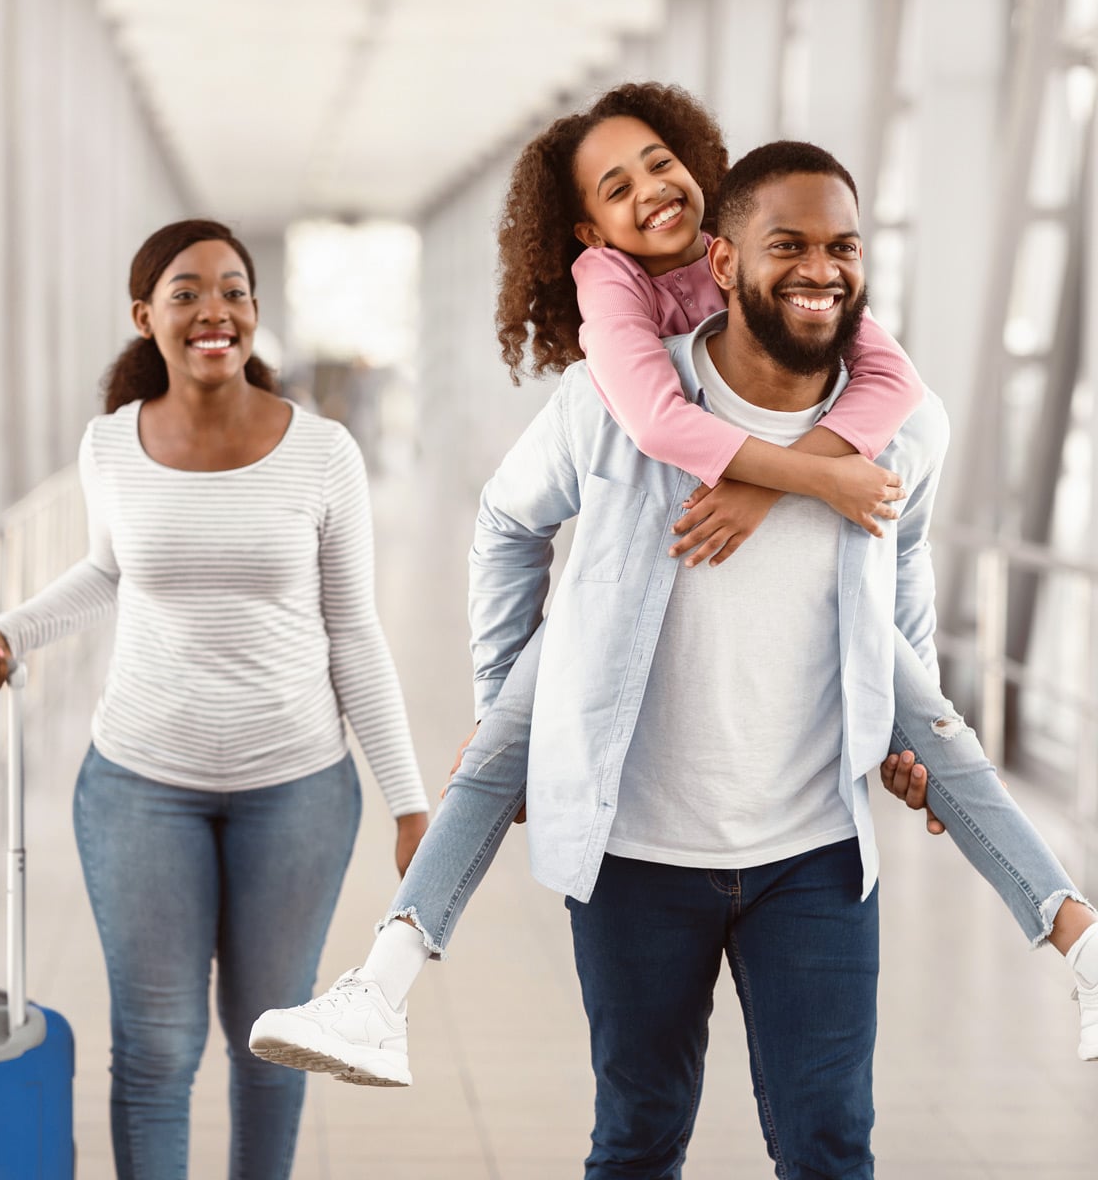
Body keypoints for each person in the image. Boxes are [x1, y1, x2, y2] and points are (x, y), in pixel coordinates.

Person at [249, 88, 1097, 1093]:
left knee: (943, 727)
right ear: (591, 231)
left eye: (659, 162)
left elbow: (897, 462)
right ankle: (377, 994)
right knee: (496, 746)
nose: (652, 190)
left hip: (811, 811)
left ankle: (1082, 945)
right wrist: (788, 482)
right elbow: (647, 426)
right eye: (617, 185)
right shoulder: (613, 311)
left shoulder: (827, 310)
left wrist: (891, 721)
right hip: (615, 642)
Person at [0, 219, 430, 1179]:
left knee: (272, 1044)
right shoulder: (110, 445)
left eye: (235, 290)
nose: (216, 310)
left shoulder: (324, 453)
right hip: (138, 785)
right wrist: (8, 634)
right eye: (188, 291)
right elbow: (102, 572)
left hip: (296, 788)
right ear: (146, 317)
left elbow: (356, 632)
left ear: (254, 311)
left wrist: (410, 803)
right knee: (157, 1051)